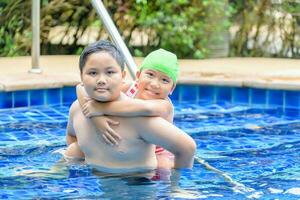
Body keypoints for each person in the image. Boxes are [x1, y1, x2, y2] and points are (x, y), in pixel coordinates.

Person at [65, 40, 196, 174]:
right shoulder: (130, 87)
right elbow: (80, 88)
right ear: (138, 76)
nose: (155, 84)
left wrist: (99, 109)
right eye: (150, 75)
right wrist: (95, 118)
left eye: (164, 80)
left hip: (159, 150)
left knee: (163, 168)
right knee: (74, 150)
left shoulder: (164, 105)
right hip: (120, 151)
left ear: (172, 88)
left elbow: (143, 109)